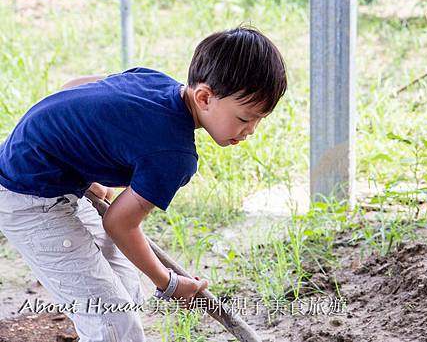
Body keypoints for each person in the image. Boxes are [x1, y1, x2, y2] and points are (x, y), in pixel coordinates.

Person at [0, 26, 287, 342]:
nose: (251, 131)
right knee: (113, 324)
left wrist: (82, 166)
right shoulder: (173, 154)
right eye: (245, 118)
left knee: (127, 289)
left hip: (50, 176)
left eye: (260, 120)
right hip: (27, 196)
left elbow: (71, 89)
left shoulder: (154, 80)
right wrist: (169, 283)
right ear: (205, 97)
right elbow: (120, 223)